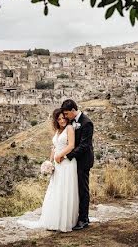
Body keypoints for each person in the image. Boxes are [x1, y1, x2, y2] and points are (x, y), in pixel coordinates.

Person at [17, 108, 79, 232]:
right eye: (59, 119)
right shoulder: (58, 131)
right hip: (57, 163)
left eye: (63, 118)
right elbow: (54, 147)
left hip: (66, 163)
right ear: (56, 120)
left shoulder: (70, 128)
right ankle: (54, 218)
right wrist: (49, 161)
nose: (62, 120)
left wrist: (60, 155)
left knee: (64, 189)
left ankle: (65, 221)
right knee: (55, 190)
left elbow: (71, 145)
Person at [61, 98, 94, 230]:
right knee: (75, 189)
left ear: (74, 110)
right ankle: (76, 216)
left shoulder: (87, 123)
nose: (65, 117)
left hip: (83, 160)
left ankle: (84, 219)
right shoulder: (72, 121)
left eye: (67, 114)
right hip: (74, 161)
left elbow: (84, 145)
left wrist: (67, 155)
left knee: (83, 189)